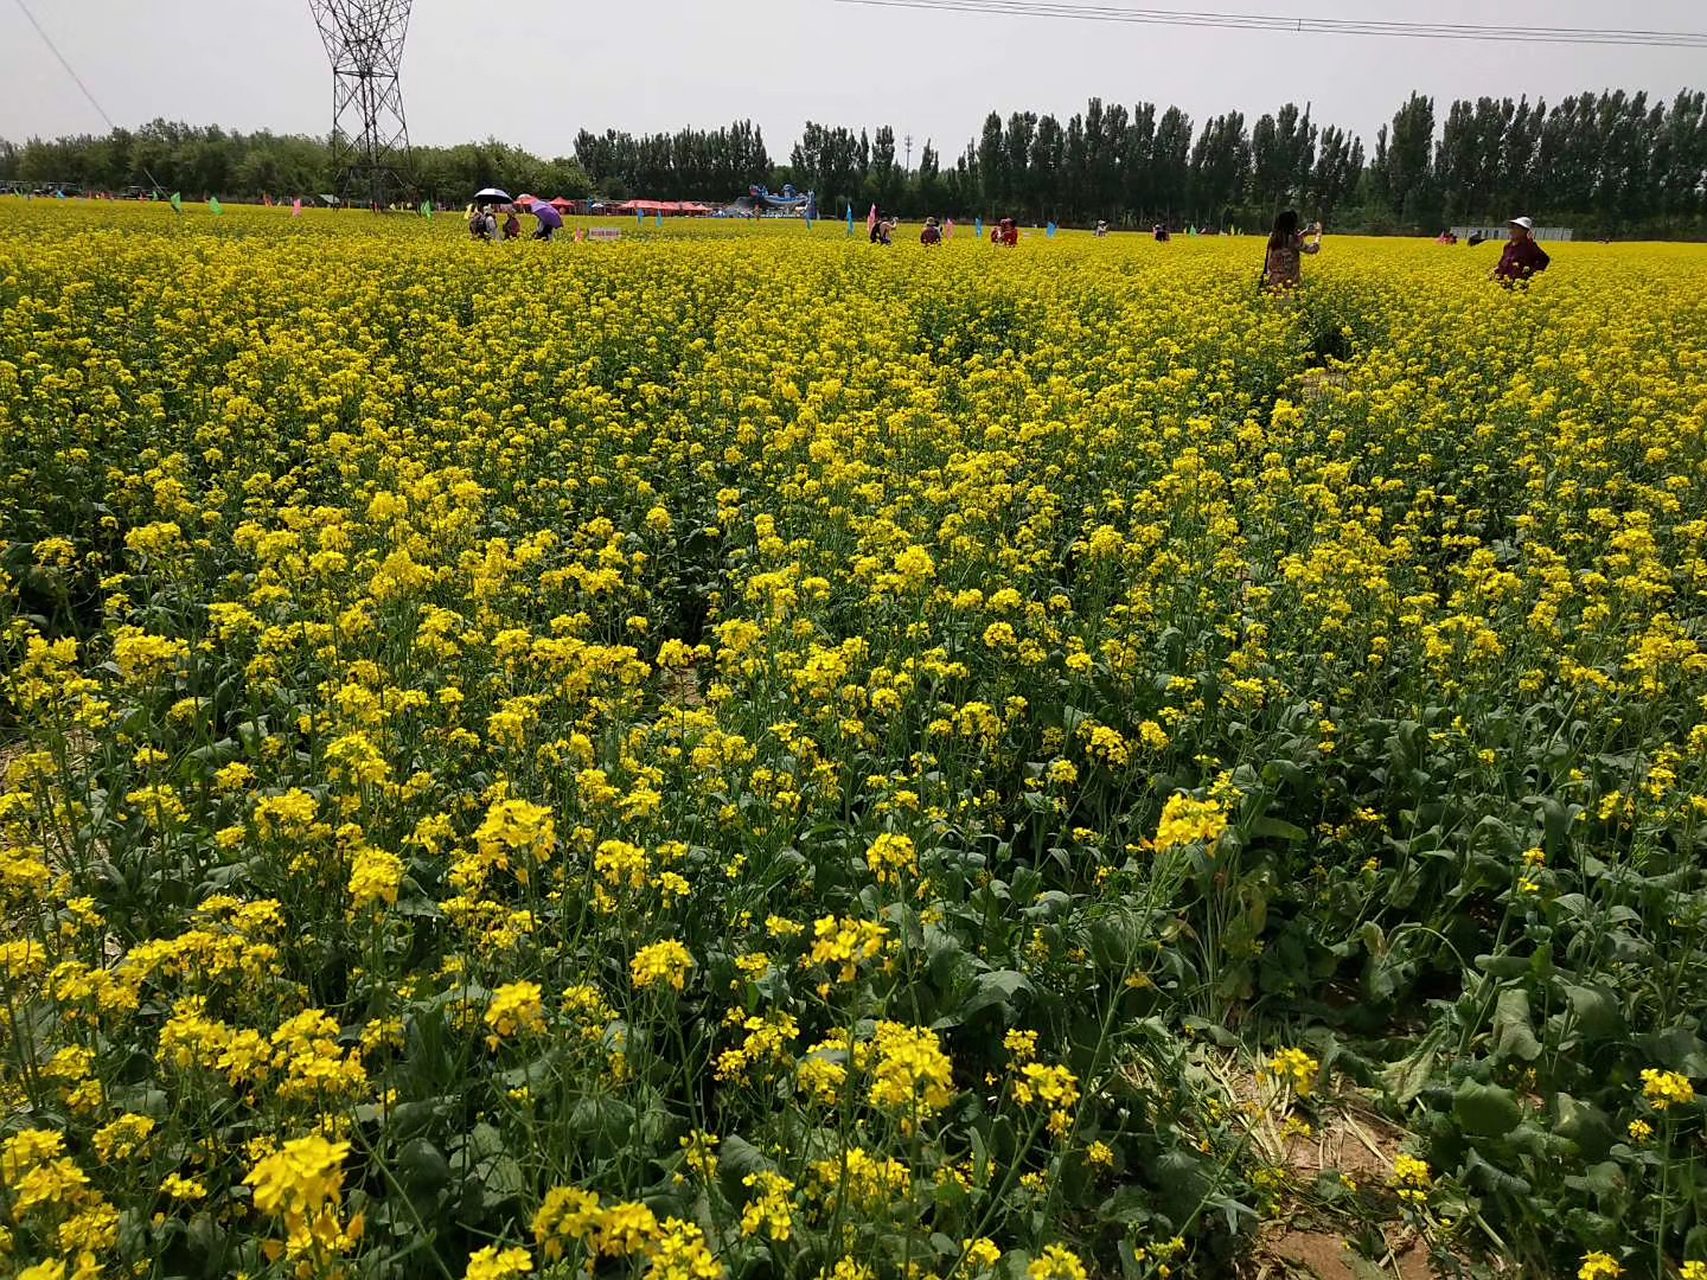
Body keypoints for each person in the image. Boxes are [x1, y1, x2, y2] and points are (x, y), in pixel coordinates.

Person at [1262, 209, 1321, 289]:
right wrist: (1318, 234)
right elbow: (1313, 249)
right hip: (1288, 282)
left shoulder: (1274, 236)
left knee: (1274, 300)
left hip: (1273, 280)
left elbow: (1289, 244)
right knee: (1286, 301)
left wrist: (1303, 234)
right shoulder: (1293, 239)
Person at [1493, 217, 1550, 284]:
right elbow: (1502, 263)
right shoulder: (1507, 246)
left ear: (1524, 231)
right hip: (1503, 282)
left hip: (1519, 285)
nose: (1512, 231)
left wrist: (1532, 273)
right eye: (1512, 228)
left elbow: (1544, 259)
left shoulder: (1530, 246)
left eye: (1516, 228)